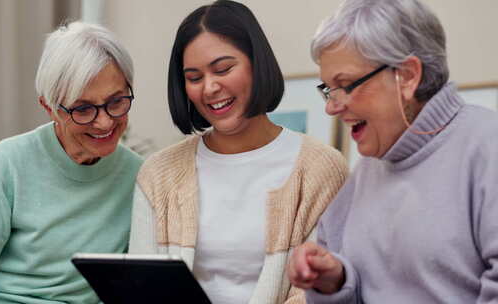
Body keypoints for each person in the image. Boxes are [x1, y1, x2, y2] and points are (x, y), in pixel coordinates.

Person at [129, 1, 348, 303]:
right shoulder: (158, 174)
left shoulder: (321, 169)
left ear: (257, 64)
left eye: (223, 69)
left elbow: (317, 295)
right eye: (194, 78)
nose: (209, 88)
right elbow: (140, 290)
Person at [287, 0, 498, 302]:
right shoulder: (365, 172)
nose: (332, 107)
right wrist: (334, 281)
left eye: (345, 85)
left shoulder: (488, 147)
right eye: (328, 89)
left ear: (408, 75)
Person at [0, 21, 142, 303]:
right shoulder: (8, 163)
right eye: (83, 109)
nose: (105, 121)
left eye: (116, 101)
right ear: (50, 108)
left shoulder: (139, 176)